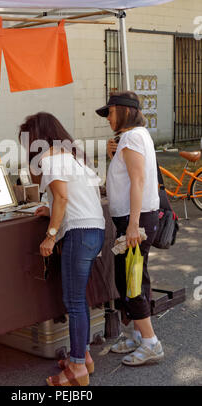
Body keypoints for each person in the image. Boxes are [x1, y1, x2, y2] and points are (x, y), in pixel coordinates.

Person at [19, 112, 105, 387]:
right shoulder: (72, 155)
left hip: (78, 233)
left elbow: (64, 197)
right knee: (80, 300)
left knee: (75, 302)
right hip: (94, 230)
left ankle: (78, 368)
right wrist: (51, 210)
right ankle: (83, 357)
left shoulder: (51, 158)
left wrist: (50, 235)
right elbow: (69, 196)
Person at [96, 91, 164, 366]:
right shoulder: (134, 136)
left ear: (123, 111)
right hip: (134, 218)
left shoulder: (133, 137)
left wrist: (134, 225)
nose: (108, 118)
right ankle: (138, 335)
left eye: (110, 112)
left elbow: (137, 181)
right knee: (135, 278)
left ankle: (150, 343)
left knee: (130, 281)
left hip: (135, 220)